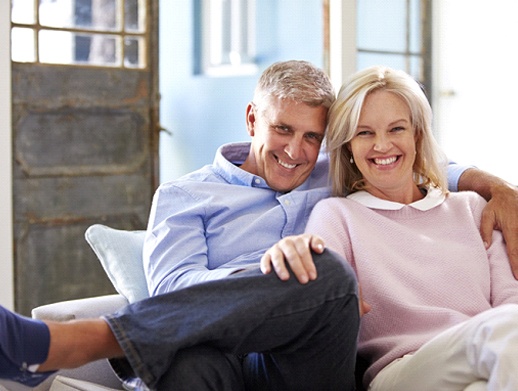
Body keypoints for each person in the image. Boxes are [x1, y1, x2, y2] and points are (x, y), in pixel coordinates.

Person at [1, 60, 518, 390]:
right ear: (252, 120)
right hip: (223, 354)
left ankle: (80, 342)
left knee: (326, 273)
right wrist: (270, 272)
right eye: (282, 129)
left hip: (306, 364)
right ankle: (82, 343)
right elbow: (172, 292)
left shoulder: (336, 173)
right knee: (192, 365)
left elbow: (410, 163)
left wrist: (499, 187)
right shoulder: (184, 197)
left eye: (313, 137)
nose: (296, 152)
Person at [265, 65, 518, 391]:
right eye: (365, 133)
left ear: (416, 134)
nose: (382, 145)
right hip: (402, 370)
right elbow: (320, 290)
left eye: (396, 129)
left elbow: (511, 298)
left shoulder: (472, 208)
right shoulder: (337, 216)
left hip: (490, 356)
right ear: (349, 147)